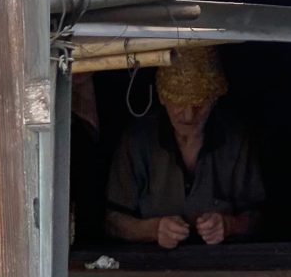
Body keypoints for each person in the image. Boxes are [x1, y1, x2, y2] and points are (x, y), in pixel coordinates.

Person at [105, 47, 264, 248]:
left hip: (223, 264)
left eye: (200, 105)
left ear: (214, 99)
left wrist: (229, 225)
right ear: (162, 97)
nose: (189, 116)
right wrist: (153, 230)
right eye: (178, 103)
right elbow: (112, 221)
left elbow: (259, 217)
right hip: (150, 265)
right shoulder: (137, 140)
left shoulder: (235, 139)